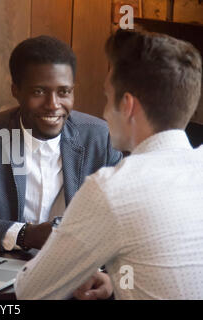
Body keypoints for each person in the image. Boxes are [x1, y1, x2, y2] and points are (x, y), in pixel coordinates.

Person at [15, 29, 203, 300]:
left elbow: (30, 291)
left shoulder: (111, 189)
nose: (103, 112)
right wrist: (115, 281)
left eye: (106, 97)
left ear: (127, 105)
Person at [0, 36, 122, 299]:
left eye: (64, 92)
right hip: (8, 281)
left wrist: (112, 278)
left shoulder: (98, 135)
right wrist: (25, 235)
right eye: (39, 91)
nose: (54, 104)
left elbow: (122, 219)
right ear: (16, 90)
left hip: (81, 279)